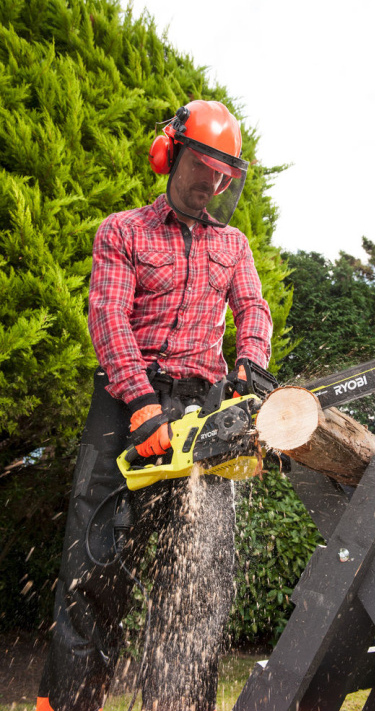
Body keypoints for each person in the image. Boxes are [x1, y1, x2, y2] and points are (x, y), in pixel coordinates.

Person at [36, 99, 273, 711]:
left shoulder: (235, 244)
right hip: (126, 404)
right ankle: (69, 704)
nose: (214, 183)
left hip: (205, 406)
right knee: (94, 570)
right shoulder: (123, 230)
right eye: (204, 166)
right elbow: (109, 316)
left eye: (226, 174)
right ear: (171, 154)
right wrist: (142, 402)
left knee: (195, 581)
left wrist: (250, 363)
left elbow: (253, 309)